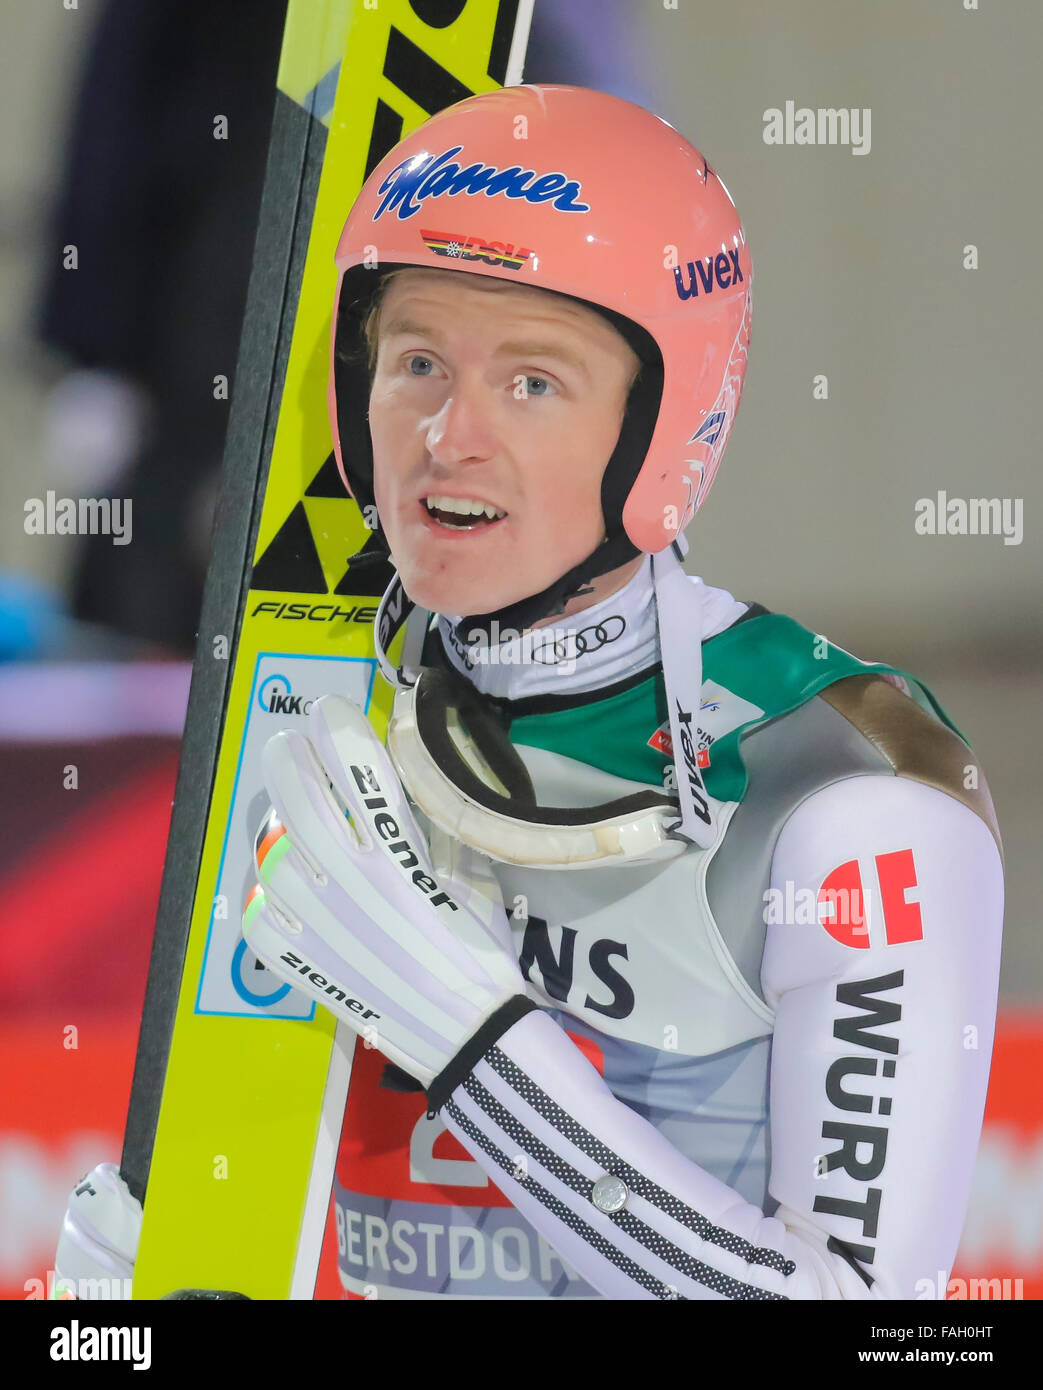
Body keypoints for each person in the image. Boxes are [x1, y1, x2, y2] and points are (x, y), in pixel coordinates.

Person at [58, 85, 1003, 1301]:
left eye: (533, 382)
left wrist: (466, 1030)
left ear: (666, 427)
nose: (450, 435)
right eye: (414, 363)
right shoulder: (323, 720)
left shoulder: (849, 801)